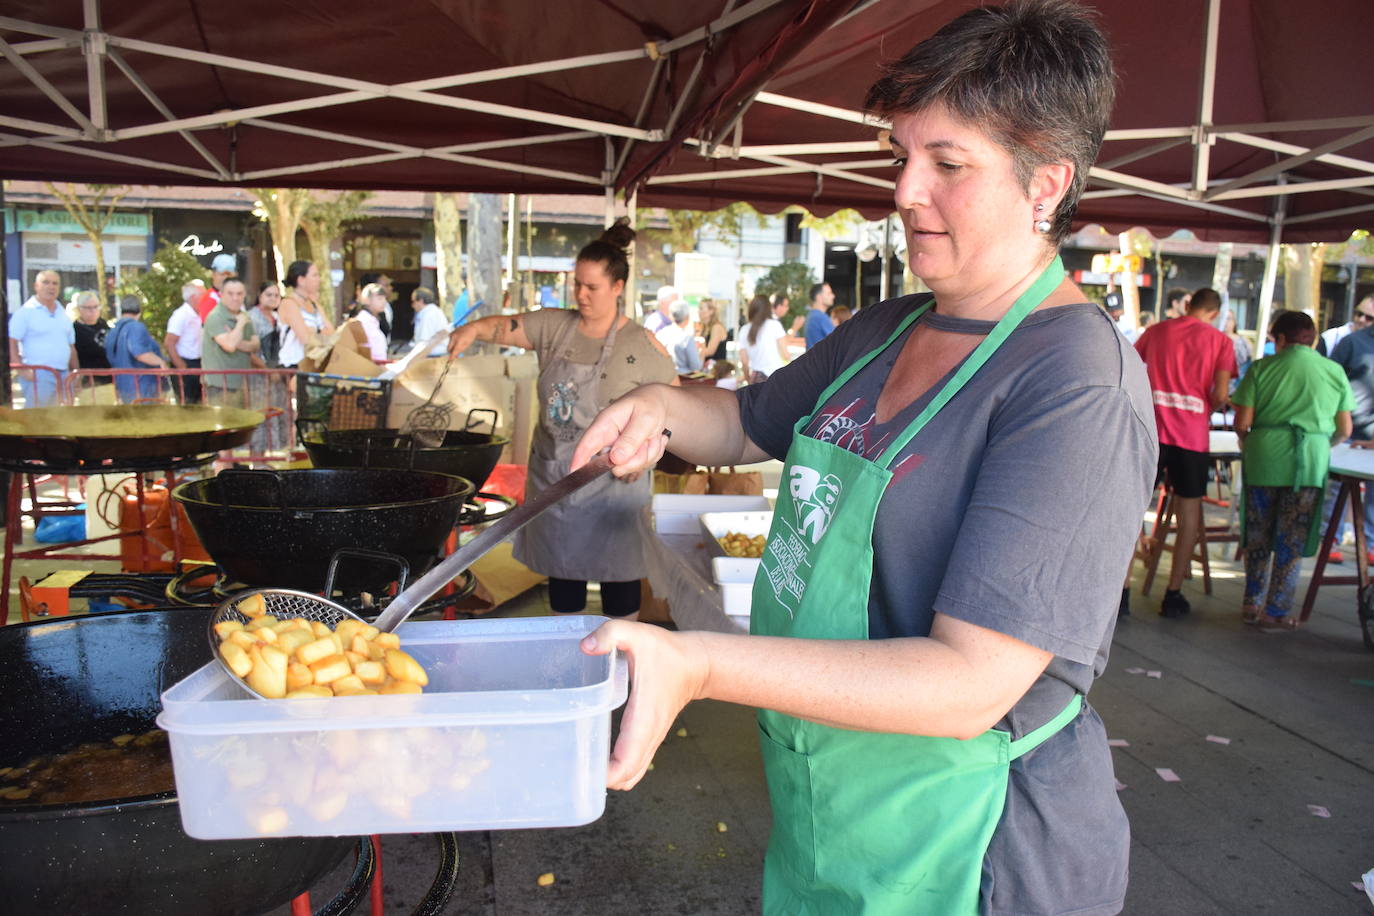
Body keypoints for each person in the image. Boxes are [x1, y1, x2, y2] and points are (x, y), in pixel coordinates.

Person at [569, 4, 1152, 912]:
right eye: (902, 157)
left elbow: (969, 685)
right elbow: (742, 422)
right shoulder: (887, 328)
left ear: (1048, 184)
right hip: (834, 798)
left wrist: (703, 664)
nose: (906, 191)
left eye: (948, 164)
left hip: (976, 839)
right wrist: (658, 403)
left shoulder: (1074, 384)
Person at [447, 219, 676, 620]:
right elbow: (504, 326)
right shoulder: (554, 326)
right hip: (557, 481)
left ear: (618, 288)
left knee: (619, 589)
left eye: (592, 287)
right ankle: (568, 664)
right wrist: (472, 330)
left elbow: (676, 408)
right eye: (577, 285)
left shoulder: (641, 343)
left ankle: (620, 668)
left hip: (615, 489)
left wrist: (647, 453)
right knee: (563, 585)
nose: (582, 295)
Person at [1232, 311, 1353, 630]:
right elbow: (1345, 428)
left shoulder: (1261, 368)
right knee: (1293, 538)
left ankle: (1251, 602)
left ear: (1282, 339)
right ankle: (1276, 610)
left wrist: (1250, 444)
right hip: (1309, 462)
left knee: (1258, 535)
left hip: (1264, 458)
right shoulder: (1333, 371)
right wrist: (1320, 444)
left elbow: (1242, 422)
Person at [1135, 287, 1236, 617]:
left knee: (1132, 504)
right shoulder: (1221, 342)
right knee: (1188, 510)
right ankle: (1174, 592)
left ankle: (1121, 590)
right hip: (1191, 437)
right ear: (1214, 313)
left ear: (1188, 303)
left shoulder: (1156, 331)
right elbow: (1220, 394)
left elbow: (1134, 369)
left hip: (1150, 427)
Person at [1326, 305, 1374, 562]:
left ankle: (1371, 543)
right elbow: (1330, 378)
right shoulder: (1352, 342)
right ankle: (1330, 537)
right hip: (1349, 426)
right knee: (1337, 488)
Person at [9, 270, 76, 407]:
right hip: (38, 375)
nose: (51, 287)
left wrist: (75, 373)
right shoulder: (25, 312)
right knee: (37, 420)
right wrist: (21, 370)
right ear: (36, 286)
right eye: (46, 282)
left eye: (55, 283)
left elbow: (71, 346)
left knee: (64, 420)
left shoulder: (63, 314)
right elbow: (12, 342)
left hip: (64, 375)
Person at [200, 277, 260, 405]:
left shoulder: (243, 315)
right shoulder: (215, 317)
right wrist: (240, 325)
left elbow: (255, 345)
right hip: (219, 385)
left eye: (239, 294)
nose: (235, 298)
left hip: (241, 384)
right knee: (224, 424)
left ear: (244, 295)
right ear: (222, 294)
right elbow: (230, 346)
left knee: (242, 423)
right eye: (230, 293)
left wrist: (234, 339)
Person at [105, 295, 166, 403]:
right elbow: (140, 353)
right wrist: (161, 363)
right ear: (139, 310)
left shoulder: (113, 330)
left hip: (123, 386)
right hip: (142, 387)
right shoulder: (136, 327)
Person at [277, 260, 335, 370]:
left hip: (315, 363)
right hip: (293, 365)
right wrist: (321, 333)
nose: (319, 279)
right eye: (314, 275)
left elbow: (332, 332)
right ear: (301, 280)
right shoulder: (289, 303)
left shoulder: (315, 304)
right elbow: (305, 338)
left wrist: (313, 332)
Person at [164, 281, 205, 404]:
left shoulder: (199, 314)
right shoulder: (181, 315)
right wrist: (182, 367)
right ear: (194, 297)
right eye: (203, 294)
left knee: (198, 403)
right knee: (187, 404)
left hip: (198, 363)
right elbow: (169, 343)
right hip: (185, 364)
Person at [738, 294, 788, 383]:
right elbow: (785, 355)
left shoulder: (744, 330)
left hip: (756, 378)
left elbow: (744, 361)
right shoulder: (775, 325)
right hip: (775, 377)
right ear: (769, 309)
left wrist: (747, 378)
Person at [656, 302, 702, 374]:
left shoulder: (660, 334)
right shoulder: (687, 338)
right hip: (682, 379)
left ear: (671, 316)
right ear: (687, 317)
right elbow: (695, 366)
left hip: (662, 376)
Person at [349, 283, 390, 361]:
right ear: (366, 299)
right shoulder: (362, 321)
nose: (384, 302)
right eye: (380, 298)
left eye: (385, 298)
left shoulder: (374, 321)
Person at [71, 290, 110, 371]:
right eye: (88, 308)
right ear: (79, 309)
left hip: (109, 376)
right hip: (88, 377)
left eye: (96, 307)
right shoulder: (75, 330)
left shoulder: (103, 324)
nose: (93, 311)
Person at [248, 282, 282, 369]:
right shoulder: (251, 317)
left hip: (277, 370)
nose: (273, 298)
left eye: (276, 295)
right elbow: (249, 352)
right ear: (260, 296)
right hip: (257, 371)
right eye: (269, 295)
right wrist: (267, 370)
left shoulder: (278, 317)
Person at [195, 253, 237, 321]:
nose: (226, 278)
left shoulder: (235, 296)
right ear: (213, 275)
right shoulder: (210, 298)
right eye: (222, 274)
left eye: (229, 274)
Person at [411, 287, 449, 356]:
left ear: (421, 301)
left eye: (413, 301)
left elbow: (424, 341)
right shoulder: (432, 311)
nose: (412, 305)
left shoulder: (429, 314)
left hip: (432, 354)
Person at [1221, 309, 1253, 390]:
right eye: (1223, 318)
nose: (1225, 322)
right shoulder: (1214, 340)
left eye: (1228, 318)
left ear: (1234, 322)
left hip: (1238, 385)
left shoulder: (1244, 341)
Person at [802, 281, 835, 348]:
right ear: (819, 297)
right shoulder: (820, 317)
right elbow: (838, 343)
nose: (833, 296)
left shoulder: (811, 316)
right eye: (829, 293)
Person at [697, 299, 727, 364]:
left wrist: (693, 354)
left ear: (711, 311)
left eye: (701, 309)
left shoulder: (717, 327)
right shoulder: (704, 327)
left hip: (717, 370)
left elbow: (710, 351)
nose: (698, 311)